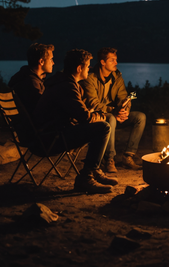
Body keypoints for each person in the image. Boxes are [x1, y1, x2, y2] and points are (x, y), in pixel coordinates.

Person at [35, 49, 117, 194]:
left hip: (49, 134)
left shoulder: (62, 82)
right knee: (103, 127)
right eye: (87, 66)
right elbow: (85, 117)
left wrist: (88, 113)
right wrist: (100, 115)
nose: (89, 69)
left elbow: (74, 113)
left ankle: (94, 169)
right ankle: (86, 178)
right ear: (79, 68)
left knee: (97, 126)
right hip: (51, 139)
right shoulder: (67, 86)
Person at [80, 47, 146, 173]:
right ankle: (109, 159)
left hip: (115, 114)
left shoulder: (117, 76)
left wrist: (124, 110)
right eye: (112, 60)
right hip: (98, 117)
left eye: (116, 60)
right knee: (110, 118)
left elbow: (123, 97)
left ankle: (128, 156)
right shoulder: (90, 77)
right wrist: (114, 111)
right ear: (102, 62)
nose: (116, 63)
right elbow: (93, 103)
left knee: (140, 117)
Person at [8, 43, 55, 116]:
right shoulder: (31, 83)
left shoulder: (23, 76)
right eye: (51, 59)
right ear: (41, 62)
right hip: (40, 125)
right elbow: (43, 109)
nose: (53, 63)